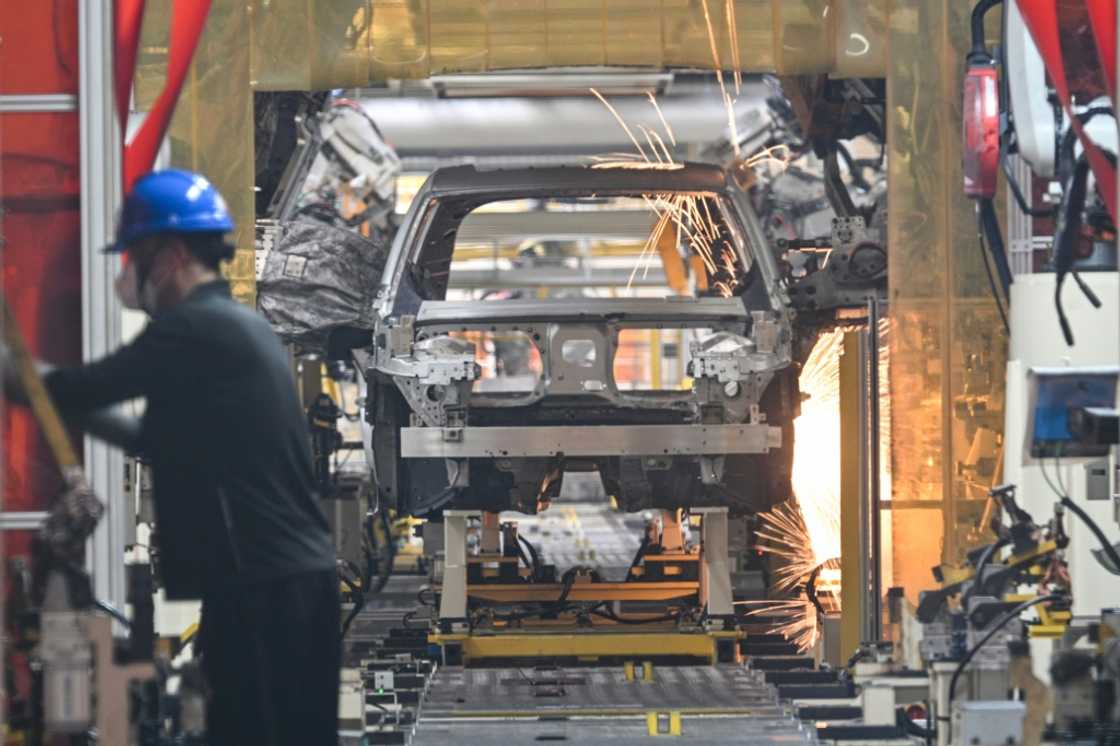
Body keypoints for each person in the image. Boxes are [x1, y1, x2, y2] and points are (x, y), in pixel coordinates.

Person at [40, 170, 340, 746]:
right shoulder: (233, 329)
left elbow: (82, 389)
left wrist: (16, 370)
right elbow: (159, 441)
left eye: (133, 257)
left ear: (170, 254)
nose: (126, 275)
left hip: (264, 587)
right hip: (277, 581)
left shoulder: (195, 327)